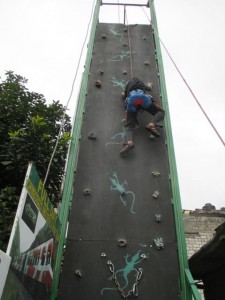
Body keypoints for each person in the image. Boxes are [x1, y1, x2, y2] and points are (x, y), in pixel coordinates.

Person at [120, 77, 165, 156]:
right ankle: (152, 124)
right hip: (143, 98)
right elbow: (149, 88)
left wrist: (123, 94)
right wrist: (150, 84)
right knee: (160, 113)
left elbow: (123, 96)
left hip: (132, 100)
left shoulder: (128, 85)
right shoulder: (141, 83)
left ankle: (129, 143)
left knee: (129, 126)